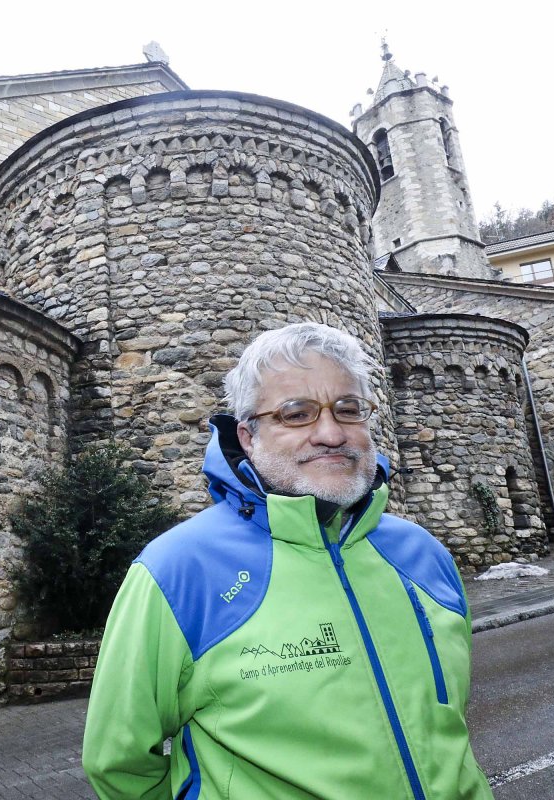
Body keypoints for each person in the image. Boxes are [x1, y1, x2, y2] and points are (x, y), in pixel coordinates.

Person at [82, 322, 492, 799]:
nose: (331, 433)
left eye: (349, 409)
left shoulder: (423, 553)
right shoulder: (179, 570)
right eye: (296, 413)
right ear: (249, 436)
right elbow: (118, 762)